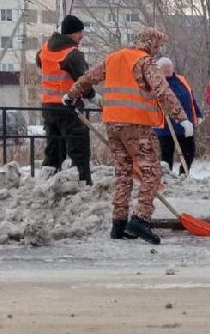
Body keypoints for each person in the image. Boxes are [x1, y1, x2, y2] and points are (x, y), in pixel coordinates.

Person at [64, 28, 190, 245]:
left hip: (113, 124)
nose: (157, 50)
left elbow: (89, 77)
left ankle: (119, 223)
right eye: (157, 45)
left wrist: (70, 94)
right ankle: (140, 219)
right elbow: (162, 89)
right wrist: (182, 118)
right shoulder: (144, 61)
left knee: (123, 173)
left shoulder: (113, 58)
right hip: (137, 125)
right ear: (150, 43)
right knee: (152, 172)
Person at [36, 15, 96, 184]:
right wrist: (93, 96)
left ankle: (48, 181)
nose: (81, 36)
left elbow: (40, 63)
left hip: (48, 106)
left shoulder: (45, 49)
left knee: (54, 147)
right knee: (79, 147)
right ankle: (82, 183)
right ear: (71, 33)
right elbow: (85, 79)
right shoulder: (72, 54)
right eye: (79, 32)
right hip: (68, 107)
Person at [152, 57, 202, 175]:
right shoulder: (157, 82)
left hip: (185, 123)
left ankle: (183, 174)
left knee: (189, 150)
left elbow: (191, 97)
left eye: (169, 66)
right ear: (159, 69)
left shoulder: (181, 79)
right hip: (165, 126)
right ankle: (167, 177)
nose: (167, 69)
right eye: (164, 67)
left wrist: (197, 114)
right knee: (167, 154)